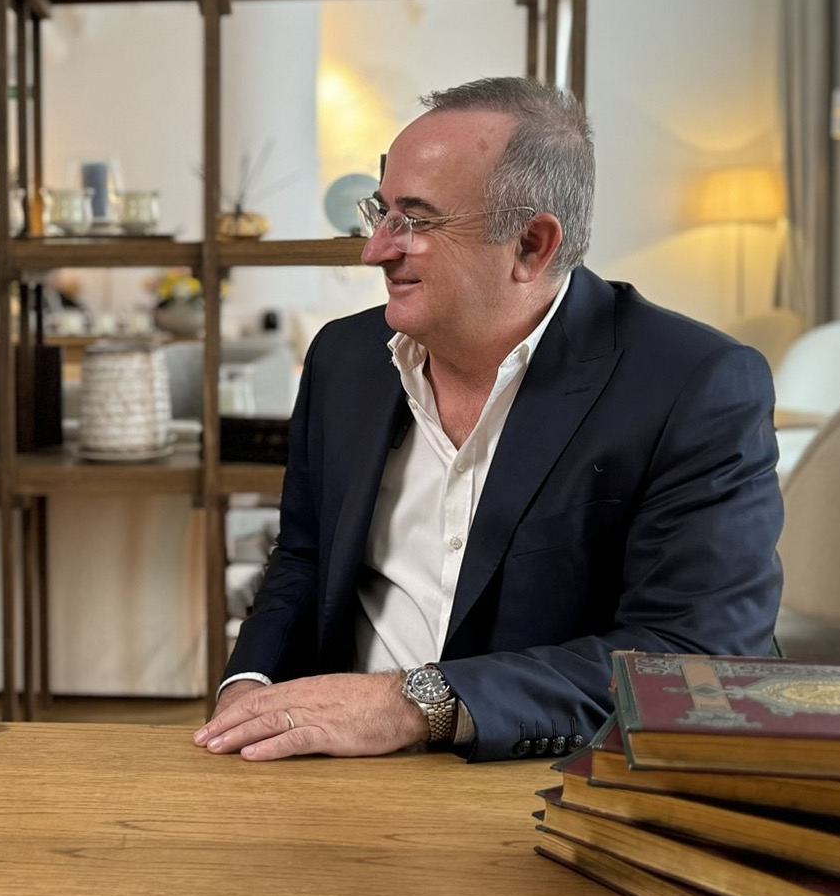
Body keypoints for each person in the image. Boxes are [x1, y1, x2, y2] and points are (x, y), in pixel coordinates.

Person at [196, 77, 782, 764]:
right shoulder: (343, 359)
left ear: (531, 245)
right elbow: (302, 556)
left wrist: (414, 704)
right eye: (379, 213)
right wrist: (250, 685)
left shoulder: (694, 386)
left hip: (550, 789)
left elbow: (691, 660)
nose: (375, 250)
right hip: (335, 779)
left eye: (414, 221)